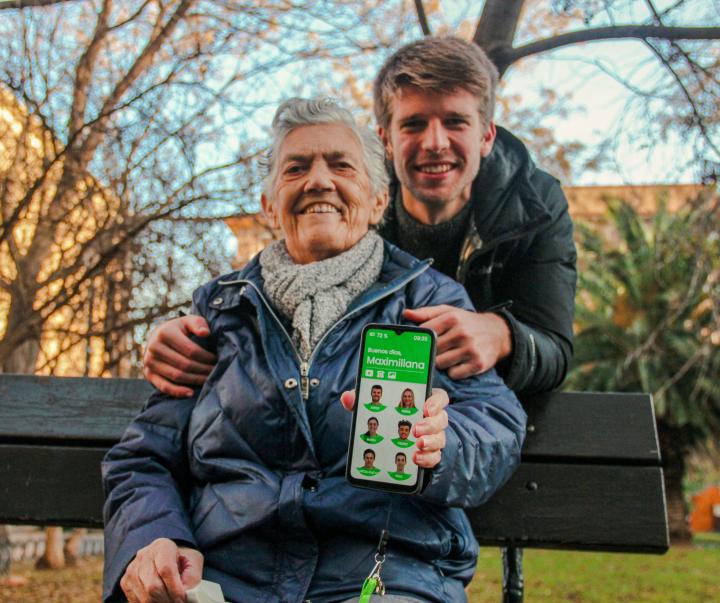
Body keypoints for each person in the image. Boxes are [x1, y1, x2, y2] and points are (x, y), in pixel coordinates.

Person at [103, 98, 526, 603]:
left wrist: (442, 447)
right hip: (225, 580)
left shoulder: (428, 301)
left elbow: (495, 427)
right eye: (296, 168)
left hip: (386, 576)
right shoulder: (218, 312)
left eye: (341, 165)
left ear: (377, 200)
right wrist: (156, 538)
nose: (318, 181)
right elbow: (145, 455)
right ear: (268, 204)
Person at [141, 36, 576, 399]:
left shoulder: (534, 207)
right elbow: (281, 293)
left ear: (486, 135)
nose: (435, 142)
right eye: (414, 125)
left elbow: (554, 345)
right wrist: (186, 332)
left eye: (455, 122)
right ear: (385, 138)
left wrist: (501, 335)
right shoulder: (351, 201)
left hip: (475, 422)